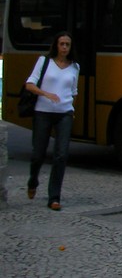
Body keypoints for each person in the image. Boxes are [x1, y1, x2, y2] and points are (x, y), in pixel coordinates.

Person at [25, 31, 79, 211]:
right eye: (62, 43)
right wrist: (46, 94)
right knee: (38, 154)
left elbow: (74, 91)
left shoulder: (75, 67)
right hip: (43, 112)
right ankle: (33, 180)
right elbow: (30, 84)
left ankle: (54, 197)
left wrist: (72, 109)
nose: (64, 47)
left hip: (64, 113)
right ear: (56, 45)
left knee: (61, 155)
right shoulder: (44, 61)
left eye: (67, 44)